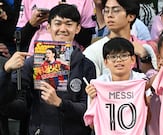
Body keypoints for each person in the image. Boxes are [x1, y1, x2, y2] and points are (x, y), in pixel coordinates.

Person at [0, 4, 96, 135]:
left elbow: (89, 109)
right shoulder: (33, 62)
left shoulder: (86, 65)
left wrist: (60, 103)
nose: (63, 29)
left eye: (69, 24)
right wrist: (6, 71)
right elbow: (13, 103)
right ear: (49, 27)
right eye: (58, 23)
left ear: (77, 28)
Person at [84, 37, 152, 134]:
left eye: (124, 56)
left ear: (133, 59)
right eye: (113, 57)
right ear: (106, 62)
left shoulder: (140, 80)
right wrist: (92, 98)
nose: (118, 60)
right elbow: (92, 125)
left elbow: (147, 120)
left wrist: (144, 96)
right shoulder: (98, 84)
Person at [83, 0, 157, 77]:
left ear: (131, 16)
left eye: (116, 11)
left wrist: (144, 57)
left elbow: (155, 82)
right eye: (106, 11)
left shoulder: (146, 47)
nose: (109, 15)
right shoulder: (93, 51)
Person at [16, 0, 96, 55]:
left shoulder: (86, 1)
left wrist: (68, 16)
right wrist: (31, 24)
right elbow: (18, 39)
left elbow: (88, 40)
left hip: (71, 57)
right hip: (37, 55)